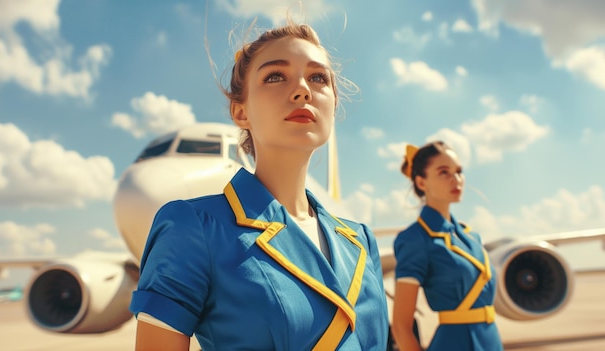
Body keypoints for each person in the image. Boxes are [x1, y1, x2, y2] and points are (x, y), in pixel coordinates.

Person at [129, 20, 389, 351]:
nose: (302, 90)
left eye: (318, 78)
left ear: (333, 106)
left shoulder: (362, 242)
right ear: (240, 112)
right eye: (276, 76)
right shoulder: (193, 227)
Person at [391, 141, 503, 351]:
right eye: (444, 172)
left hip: (491, 341)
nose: (456, 179)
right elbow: (400, 327)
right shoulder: (415, 239)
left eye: (459, 171)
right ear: (421, 183)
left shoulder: (472, 237)